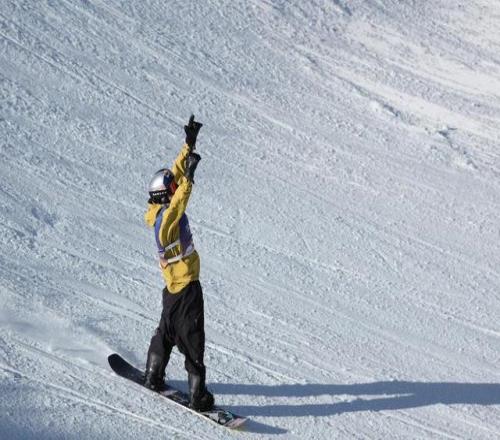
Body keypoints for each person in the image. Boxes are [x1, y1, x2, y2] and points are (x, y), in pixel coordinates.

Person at [143, 115, 214, 412]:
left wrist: (188, 146)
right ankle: (198, 395)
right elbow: (179, 200)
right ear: (166, 196)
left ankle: (153, 373)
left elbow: (172, 179)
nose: (174, 186)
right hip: (187, 288)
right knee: (193, 339)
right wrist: (190, 178)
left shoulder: (156, 212)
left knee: (167, 331)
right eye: (171, 188)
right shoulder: (167, 221)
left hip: (172, 290)